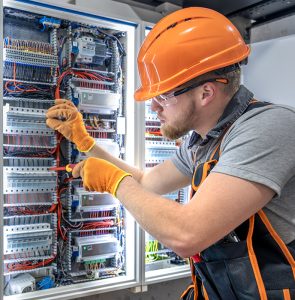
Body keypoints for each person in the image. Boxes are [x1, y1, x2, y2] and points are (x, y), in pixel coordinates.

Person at [46, 7, 295, 300]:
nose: (155, 108)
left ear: (206, 93)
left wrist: (115, 183)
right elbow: (146, 181)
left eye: (163, 96)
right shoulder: (203, 141)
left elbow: (187, 235)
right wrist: (86, 143)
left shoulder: (269, 127)